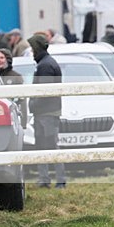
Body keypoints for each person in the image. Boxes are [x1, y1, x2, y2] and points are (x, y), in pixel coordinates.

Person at [28, 34, 66, 189]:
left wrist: (33, 105)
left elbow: (44, 92)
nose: (31, 51)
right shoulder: (47, 63)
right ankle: (46, 179)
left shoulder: (45, 65)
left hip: (46, 113)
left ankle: (58, 180)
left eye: (32, 48)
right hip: (47, 113)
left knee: (49, 145)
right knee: (44, 145)